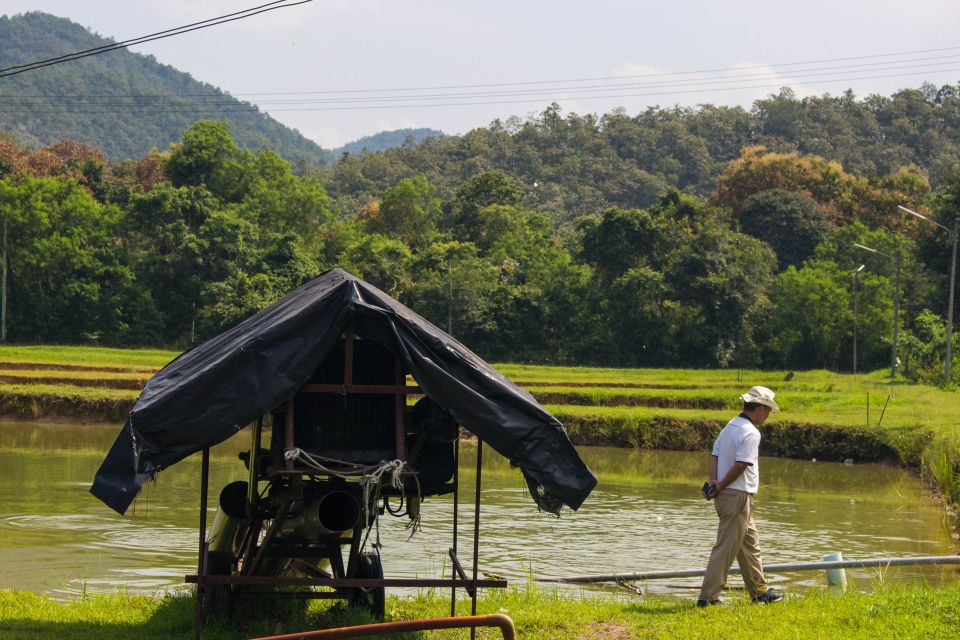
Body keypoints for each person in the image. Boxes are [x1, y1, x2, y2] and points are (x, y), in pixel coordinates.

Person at [697, 385, 784, 607]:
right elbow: (742, 465)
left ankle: (759, 591)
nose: (766, 416)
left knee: (750, 545)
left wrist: (714, 482)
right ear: (760, 409)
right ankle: (708, 598)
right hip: (737, 496)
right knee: (725, 548)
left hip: (730, 495)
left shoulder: (729, 427)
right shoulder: (751, 432)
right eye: (767, 411)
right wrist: (721, 484)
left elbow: (715, 454)